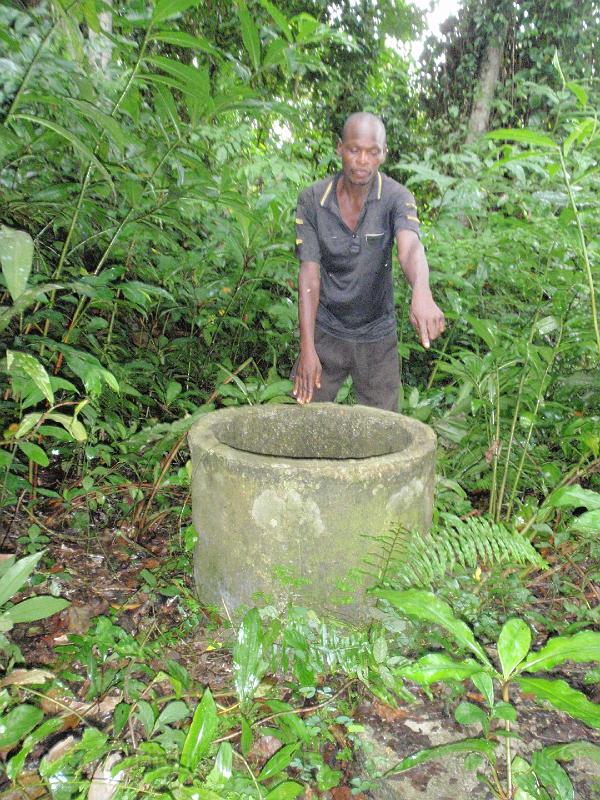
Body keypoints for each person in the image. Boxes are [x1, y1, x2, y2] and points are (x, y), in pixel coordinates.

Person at [291, 111, 445, 411]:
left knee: (386, 432)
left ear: (384, 154)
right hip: (326, 330)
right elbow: (309, 275)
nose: (363, 160)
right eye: (354, 150)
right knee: (302, 421)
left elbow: (410, 247)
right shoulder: (312, 200)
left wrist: (422, 290)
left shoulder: (396, 197)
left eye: (372, 152)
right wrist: (307, 349)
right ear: (340, 148)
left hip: (377, 333)